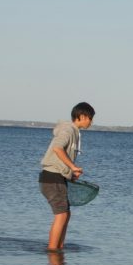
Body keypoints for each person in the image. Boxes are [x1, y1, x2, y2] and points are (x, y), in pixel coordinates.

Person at [39, 102, 95, 251]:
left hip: (57, 177)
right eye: (90, 118)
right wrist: (72, 166)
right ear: (82, 116)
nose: (91, 122)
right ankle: (52, 251)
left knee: (66, 214)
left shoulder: (74, 131)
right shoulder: (68, 130)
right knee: (62, 214)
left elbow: (61, 156)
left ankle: (59, 248)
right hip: (52, 177)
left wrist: (71, 173)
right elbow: (57, 148)